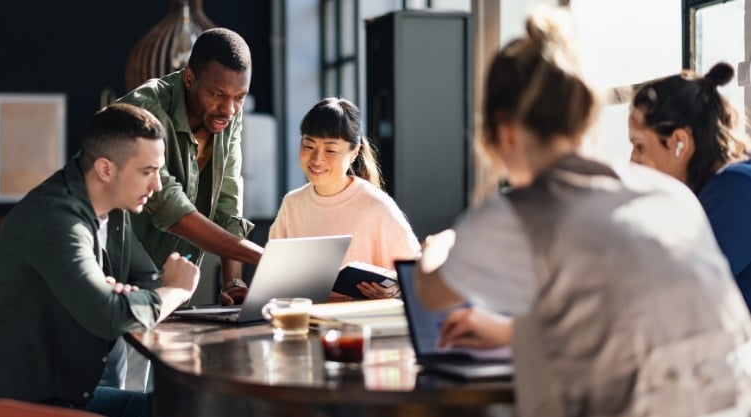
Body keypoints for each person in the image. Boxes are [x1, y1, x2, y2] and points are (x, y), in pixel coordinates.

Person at [413, 6, 751, 417]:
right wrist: (512, 333)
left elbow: (430, 293)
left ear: (503, 131)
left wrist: (440, 245)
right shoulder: (669, 196)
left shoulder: (520, 213)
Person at [0, 104, 200, 417]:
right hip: (8, 406)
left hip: (63, 395)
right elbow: (109, 317)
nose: (157, 185)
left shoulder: (114, 213)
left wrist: (128, 298)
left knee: (181, 408)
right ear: (106, 169)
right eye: (147, 171)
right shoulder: (55, 219)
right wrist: (178, 290)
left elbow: (145, 277)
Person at [117, 27, 262, 306]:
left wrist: (233, 282)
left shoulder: (228, 117)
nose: (229, 109)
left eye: (239, 97)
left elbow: (228, 202)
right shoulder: (143, 109)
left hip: (171, 293)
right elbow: (170, 206)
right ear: (189, 78)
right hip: (115, 280)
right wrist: (263, 258)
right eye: (218, 94)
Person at [269, 97, 420, 299]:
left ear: (354, 152)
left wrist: (395, 290)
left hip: (360, 323)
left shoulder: (376, 206)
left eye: (330, 149)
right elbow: (272, 276)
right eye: (308, 145)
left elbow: (416, 275)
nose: (317, 158)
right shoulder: (292, 204)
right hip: (305, 321)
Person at [628, 62, 751, 307]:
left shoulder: (737, 188)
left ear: (679, 143)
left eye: (640, 145)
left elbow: (671, 297)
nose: (632, 161)